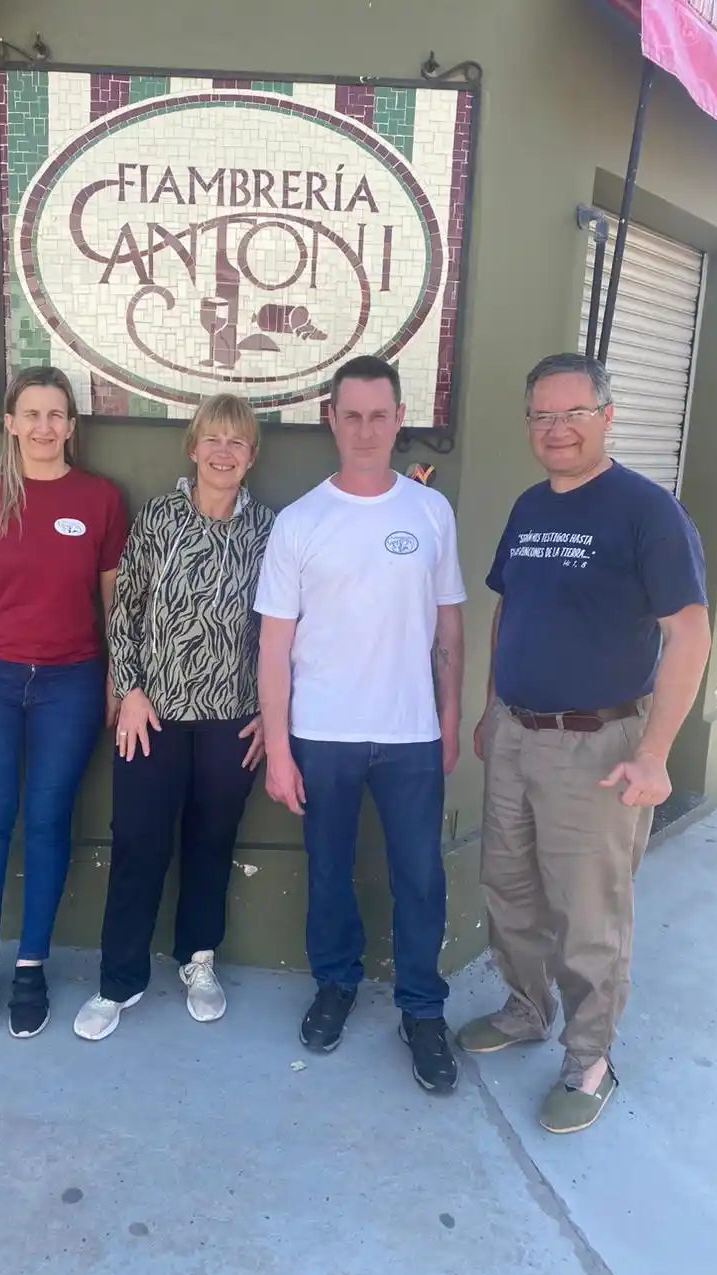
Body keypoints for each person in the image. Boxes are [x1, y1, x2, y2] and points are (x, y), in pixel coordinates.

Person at [458, 352, 710, 1134]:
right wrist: (492, 707)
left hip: (599, 747)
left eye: (573, 413)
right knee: (509, 887)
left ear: (606, 417)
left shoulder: (646, 511)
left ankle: (590, 1059)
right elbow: (509, 609)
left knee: (589, 913)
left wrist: (656, 753)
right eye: (542, 415)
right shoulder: (531, 506)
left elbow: (690, 633)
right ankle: (527, 1009)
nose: (556, 429)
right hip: (515, 735)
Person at [255, 355, 466, 1095]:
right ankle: (335, 985)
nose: (367, 429)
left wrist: (447, 714)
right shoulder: (301, 522)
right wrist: (279, 749)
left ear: (398, 418)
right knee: (329, 873)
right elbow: (274, 646)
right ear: (332, 421)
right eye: (353, 415)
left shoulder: (430, 512)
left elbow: (449, 628)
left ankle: (422, 1009)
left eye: (380, 415)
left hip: (411, 735)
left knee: (420, 879)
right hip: (323, 734)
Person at [0, 366, 127, 1038]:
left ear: (72, 425)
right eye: (31, 414)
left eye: (56, 415)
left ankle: (32, 965)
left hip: (69, 682)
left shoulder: (99, 499)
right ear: (9, 422)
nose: (43, 427)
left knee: (47, 821)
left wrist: (114, 682)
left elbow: (114, 604)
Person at [74, 395, 275, 1041]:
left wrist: (273, 714)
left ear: (251, 457)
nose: (223, 452)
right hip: (152, 714)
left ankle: (198, 960)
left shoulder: (267, 530)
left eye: (237, 442)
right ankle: (118, 980)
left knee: (211, 843)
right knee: (139, 843)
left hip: (231, 718)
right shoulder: (161, 516)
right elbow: (126, 609)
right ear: (193, 448)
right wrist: (128, 688)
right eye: (212, 439)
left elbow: (282, 630)